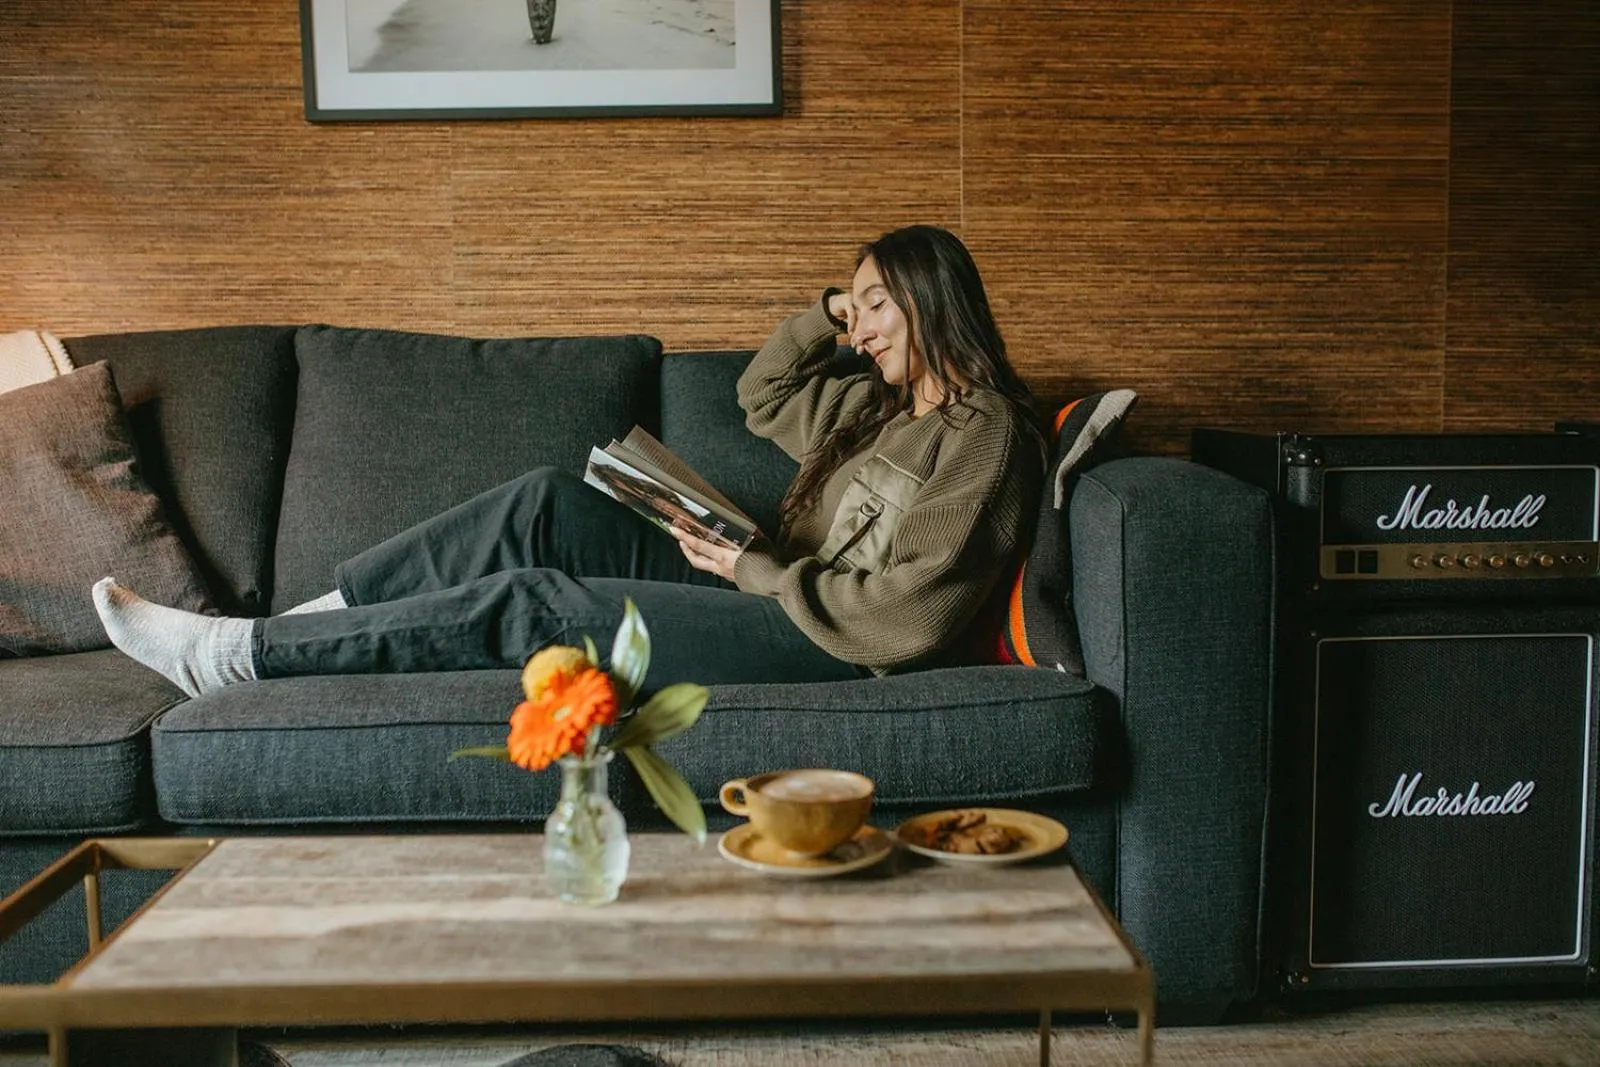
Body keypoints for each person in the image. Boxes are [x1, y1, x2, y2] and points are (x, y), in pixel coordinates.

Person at [92, 225, 1046, 698]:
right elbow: (760, 395)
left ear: (933, 298)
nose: (866, 326)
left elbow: (911, 610)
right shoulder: (868, 411)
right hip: (754, 581)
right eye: (861, 307)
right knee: (541, 501)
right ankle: (290, 628)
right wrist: (830, 309)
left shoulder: (982, 431)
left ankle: (237, 657)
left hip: (824, 639)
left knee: (540, 601)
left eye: (882, 304)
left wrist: (761, 569)